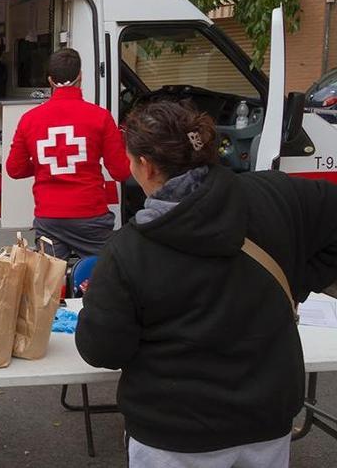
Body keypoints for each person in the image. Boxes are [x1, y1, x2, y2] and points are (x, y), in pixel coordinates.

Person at [76, 101, 337, 467]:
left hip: (174, 433)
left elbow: (102, 350)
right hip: (266, 420)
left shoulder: (129, 251)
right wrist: (299, 280)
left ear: (146, 167)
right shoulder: (277, 194)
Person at [5, 48, 130, 260]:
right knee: (103, 279)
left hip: (49, 218)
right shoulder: (101, 117)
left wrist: (45, 165)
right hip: (91, 216)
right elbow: (120, 171)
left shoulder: (30, 119)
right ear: (80, 75)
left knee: (48, 286)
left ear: (50, 80)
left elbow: (14, 169)